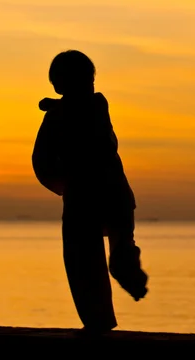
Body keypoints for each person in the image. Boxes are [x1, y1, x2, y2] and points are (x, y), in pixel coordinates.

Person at [32, 50, 148, 333]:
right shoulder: (76, 110)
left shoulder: (88, 108)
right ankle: (102, 316)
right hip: (102, 196)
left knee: (87, 261)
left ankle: (118, 288)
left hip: (95, 197)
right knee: (90, 261)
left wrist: (54, 107)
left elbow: (48, 154)